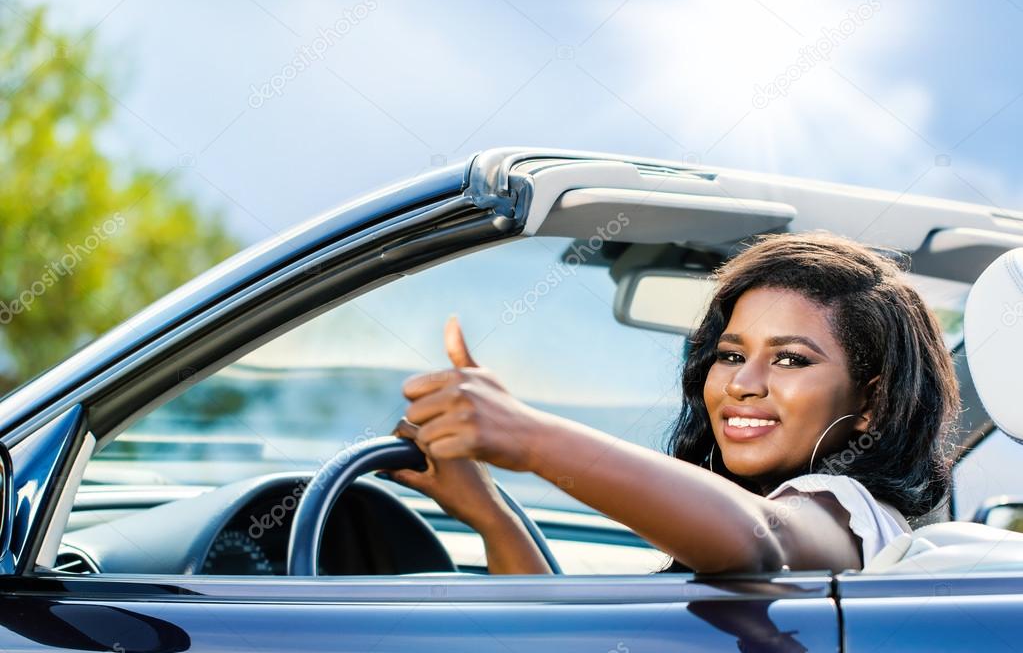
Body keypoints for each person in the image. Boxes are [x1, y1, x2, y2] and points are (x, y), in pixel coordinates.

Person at [377, 232, 960, 574]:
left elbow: (762, 540)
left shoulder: (851, 517)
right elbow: (548, 650)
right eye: (731, 355)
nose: (741, 384)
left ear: (872, 403)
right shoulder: (743, 517)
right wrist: (491, 516)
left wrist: (528, 437)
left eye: (790, 360)